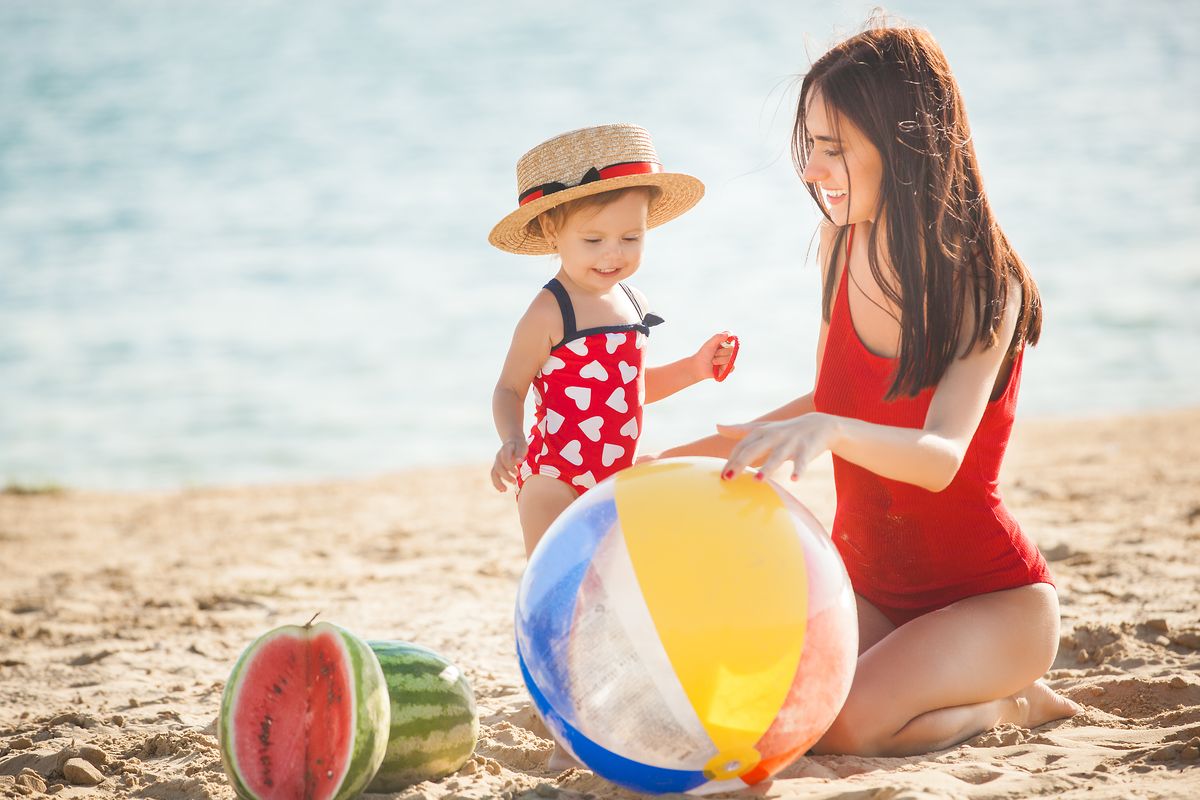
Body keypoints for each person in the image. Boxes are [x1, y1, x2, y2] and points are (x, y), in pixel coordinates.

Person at [659, 24, 1081, 756]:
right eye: (809, 145)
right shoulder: (838, 246)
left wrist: (831, 431)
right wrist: (685, 455)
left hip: (991, 605)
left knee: (845, 728)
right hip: (872, 591)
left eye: (835, 147)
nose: (813, 168)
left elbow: (940, 453)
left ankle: (1007, 705)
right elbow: (827, 401)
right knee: (770, 713)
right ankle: (962, 688)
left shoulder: (987, 284)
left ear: (904, 142)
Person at [487, 123, 737, 558]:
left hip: (615, 473)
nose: (613, 254)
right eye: (593, 240)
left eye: (631, 238)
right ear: (551, 231)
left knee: (610, 580)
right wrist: (512, 438)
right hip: (554, 476)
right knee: (556, 578)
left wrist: (696, 368)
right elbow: (510, 388)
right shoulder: (550, 310)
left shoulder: (633, 302)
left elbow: (629, 390)